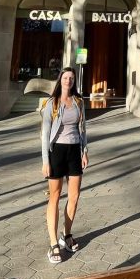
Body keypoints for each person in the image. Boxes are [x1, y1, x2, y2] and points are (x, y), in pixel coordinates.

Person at [40, 67, 88, 264]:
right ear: (60, 80)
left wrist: (84, 150)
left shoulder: (78, 102)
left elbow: (83, 128)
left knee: (74, 196)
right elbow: (45, 135)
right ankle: (53, 243)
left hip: (74, 151)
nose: (68, 81)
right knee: (55, 196)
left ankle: (66, 235)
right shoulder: (51, 103)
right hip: (57, 152)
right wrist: (45, 161)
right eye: (65, 77)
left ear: (74, 81)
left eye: (71, 78)